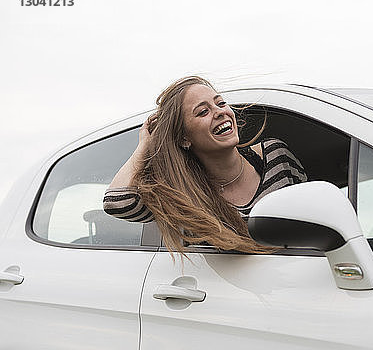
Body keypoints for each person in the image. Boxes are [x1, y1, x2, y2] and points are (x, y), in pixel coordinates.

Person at [103, 76, 307, 254]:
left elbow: (312, 222)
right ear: (184, 138)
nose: (219, 112)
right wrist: (144, 146)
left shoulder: (276, 156)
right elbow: (117, 202)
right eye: (202, 112)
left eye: (221, 103)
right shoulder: (182, 196)